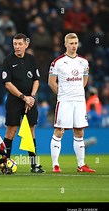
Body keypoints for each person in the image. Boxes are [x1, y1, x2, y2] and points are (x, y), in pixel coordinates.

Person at [48, 32, 96, 173]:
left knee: (79, 131)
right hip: (64, 101)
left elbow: (85, 80)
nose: (74, 46)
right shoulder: (57, 62)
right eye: (71, 43)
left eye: (76, 43)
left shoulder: (83, 62)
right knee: (59, 131)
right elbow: (51, 82)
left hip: (79, 101)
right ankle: (55, 165)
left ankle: (81, 165)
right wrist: (62, 94)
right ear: (65, 45)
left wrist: (77, 91)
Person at [1, 33, 45, 173]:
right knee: (11, 131)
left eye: (20, 44)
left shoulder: (31, 59)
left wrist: (31, 97)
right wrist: (23, 97)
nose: (17, 47)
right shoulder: (7, 60)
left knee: (31, 130)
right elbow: (7, 84)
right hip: (15, 100)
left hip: (30, 100)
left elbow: (36, 80)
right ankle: (5, 164)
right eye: (15, 44)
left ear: (26, 44)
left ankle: (34, 165)